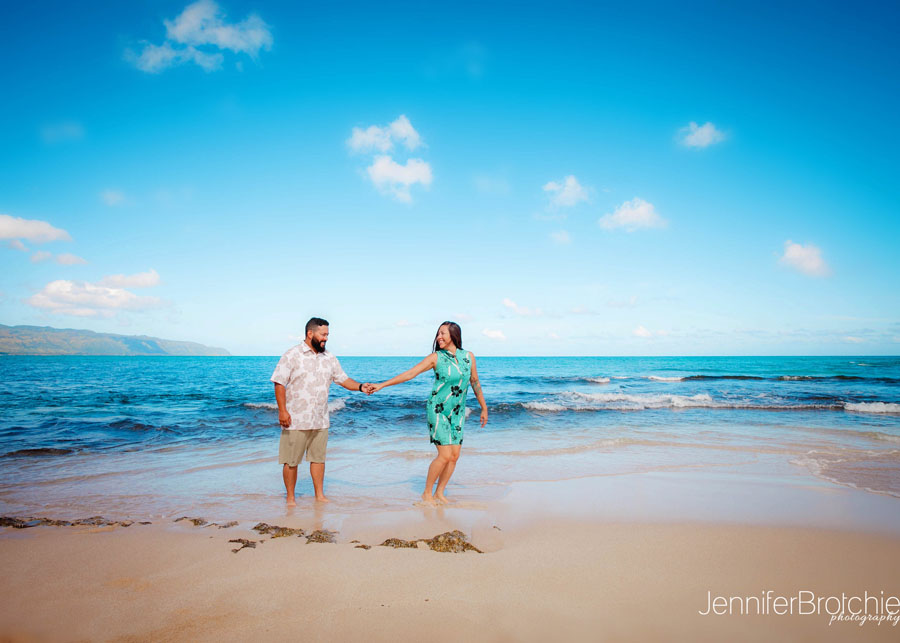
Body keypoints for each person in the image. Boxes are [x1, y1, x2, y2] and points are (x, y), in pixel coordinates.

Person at [370, 321, 487, 505]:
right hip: (438, 409)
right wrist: (382, 385)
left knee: (454, 456)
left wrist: (484, 407)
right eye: (438, 334)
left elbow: (475, 382)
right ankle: (426, 493)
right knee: (445, 455)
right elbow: (410, 374)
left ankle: (439, 493)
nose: (439, 337)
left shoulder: (469, 357)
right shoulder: (436, 358)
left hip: (457, 412)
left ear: (453, 335)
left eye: (443, 333)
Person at [271, 317, 374, 505]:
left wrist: (360, 387)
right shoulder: (292, 355)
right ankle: (291, 498)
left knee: (318, 459)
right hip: (296, 419)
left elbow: (343, 379)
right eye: (323, 334)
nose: (326, 338)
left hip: (320, 419)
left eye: (327, 335)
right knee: (291, 461)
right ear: (310, 333)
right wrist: (282, 411)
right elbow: (279, 382)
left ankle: (319, 495)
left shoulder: (329, 357)